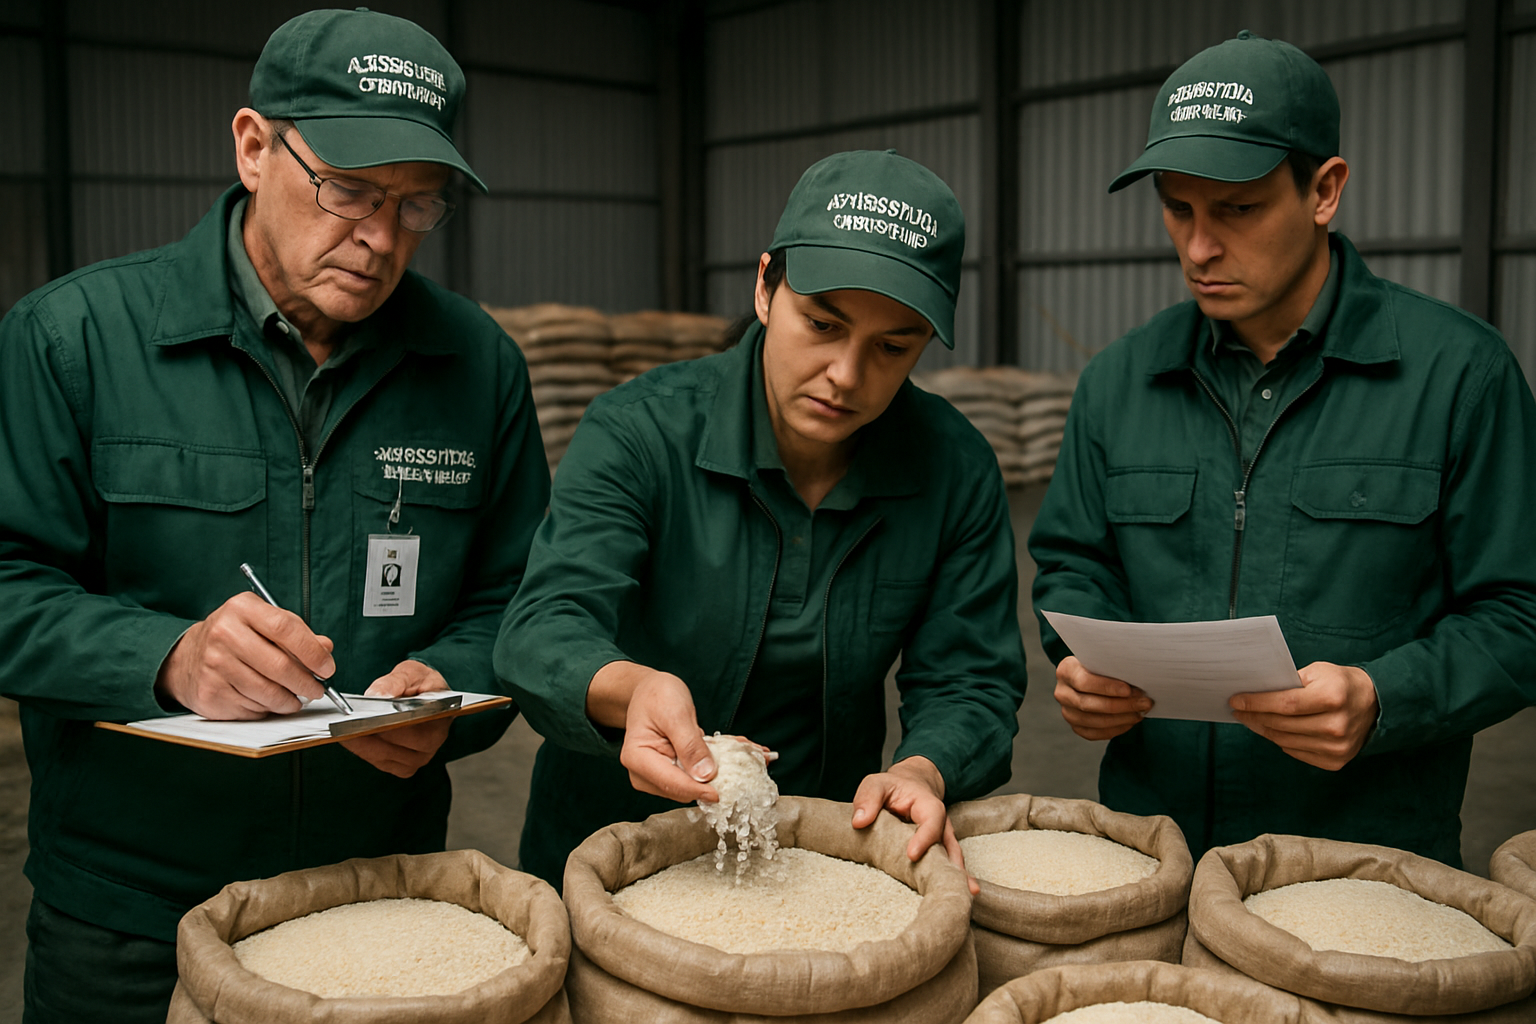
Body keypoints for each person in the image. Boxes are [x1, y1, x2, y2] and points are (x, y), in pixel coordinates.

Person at [0, 9, 549, 1021]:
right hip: (130, 917)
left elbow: (519, 604)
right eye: (347, 189)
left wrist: (453, 690)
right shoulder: (73, 342)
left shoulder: (477, 369)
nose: (381, 238)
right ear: (254, 146)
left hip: (377, 895)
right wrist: (164, 656)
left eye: (418, 205)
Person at [1029, 31, 1536, 867]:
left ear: (1324, 190)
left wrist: (1384, 697)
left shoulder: (1459, 376)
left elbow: (1518, 613)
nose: (1198, 247)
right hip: (1155, 854)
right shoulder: (1121, 381)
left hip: (1363, 862)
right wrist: (1087, 663)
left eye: (1237, 209)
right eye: (1178, 208)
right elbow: (1073, 562)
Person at [496, 149, 1027, 887]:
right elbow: (542, 625)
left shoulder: (952, 468)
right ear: (765, 288)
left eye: (892, 347)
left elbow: (971, 677)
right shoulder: (641, 431)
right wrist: (634, 687)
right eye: (822, 323)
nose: (846, 374)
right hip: (612, 844)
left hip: (811, 853)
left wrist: (922, 769)